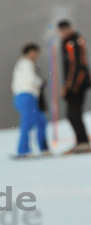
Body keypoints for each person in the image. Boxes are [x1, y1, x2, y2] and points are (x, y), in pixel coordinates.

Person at [57, 20, 91, 154]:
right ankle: (80, 141)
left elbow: (78, 64)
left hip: (78, 83)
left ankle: (83, 142)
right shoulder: (66, 42)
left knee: (74, 113)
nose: (63, 33)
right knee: (72, 114)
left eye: (65, 29)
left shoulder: (74, 41)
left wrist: (71, 85)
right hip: (72, 83)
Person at [11, 43, 48, 157]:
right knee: (28, 122)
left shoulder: (24, 64)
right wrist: (40, 82)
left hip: (26, 96)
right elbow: (30, 78)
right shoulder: (26, 63)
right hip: (26, 95)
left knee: (40, 120)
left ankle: (43, 148)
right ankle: (23, 150)